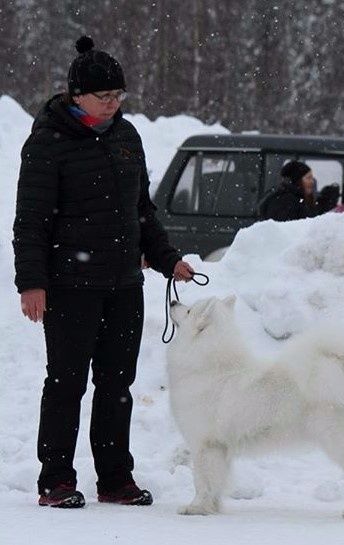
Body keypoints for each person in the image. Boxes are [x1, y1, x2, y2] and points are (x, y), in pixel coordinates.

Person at [12, 36, 194, 508]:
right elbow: (30, 219)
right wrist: (31, 282)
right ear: (77, 96)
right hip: (71, 285)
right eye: (104, 97)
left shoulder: (126, 137)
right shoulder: (48, 143)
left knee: (117, 384)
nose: (113, 105)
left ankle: (115, 478)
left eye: (119, 97)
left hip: (123, 285)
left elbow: (141, 211)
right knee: (66, 382)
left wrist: (166, 257)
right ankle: (55, 479)